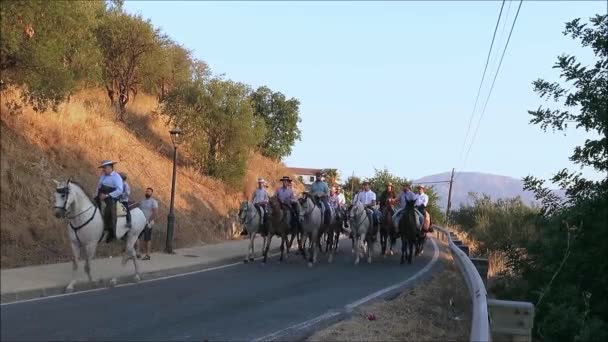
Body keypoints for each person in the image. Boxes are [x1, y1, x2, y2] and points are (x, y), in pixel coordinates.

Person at [94, 160, 124, 243]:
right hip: (100, 194)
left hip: (110, 196)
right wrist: (96, 193)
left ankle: (109, 230)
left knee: (109, 210)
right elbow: (99, 185)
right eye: (103, 168)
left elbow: (120, 190)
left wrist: (107, 195)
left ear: (110, 167)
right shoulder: (103, 175)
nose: (103, 169)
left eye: (105, 168)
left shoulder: (116, 177)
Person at [137, 187, 158, 260]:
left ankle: (147, 255)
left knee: (147, 239)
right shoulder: (142, 201)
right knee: (137, 237)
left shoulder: (153, 201)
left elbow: (155, 212)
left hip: (148, 223)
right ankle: (138, 253)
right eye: (147, 191)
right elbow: (139, 211)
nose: (147, 192)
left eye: (149, 192)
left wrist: (149, 221)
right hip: (141, 223)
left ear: (151, 193)